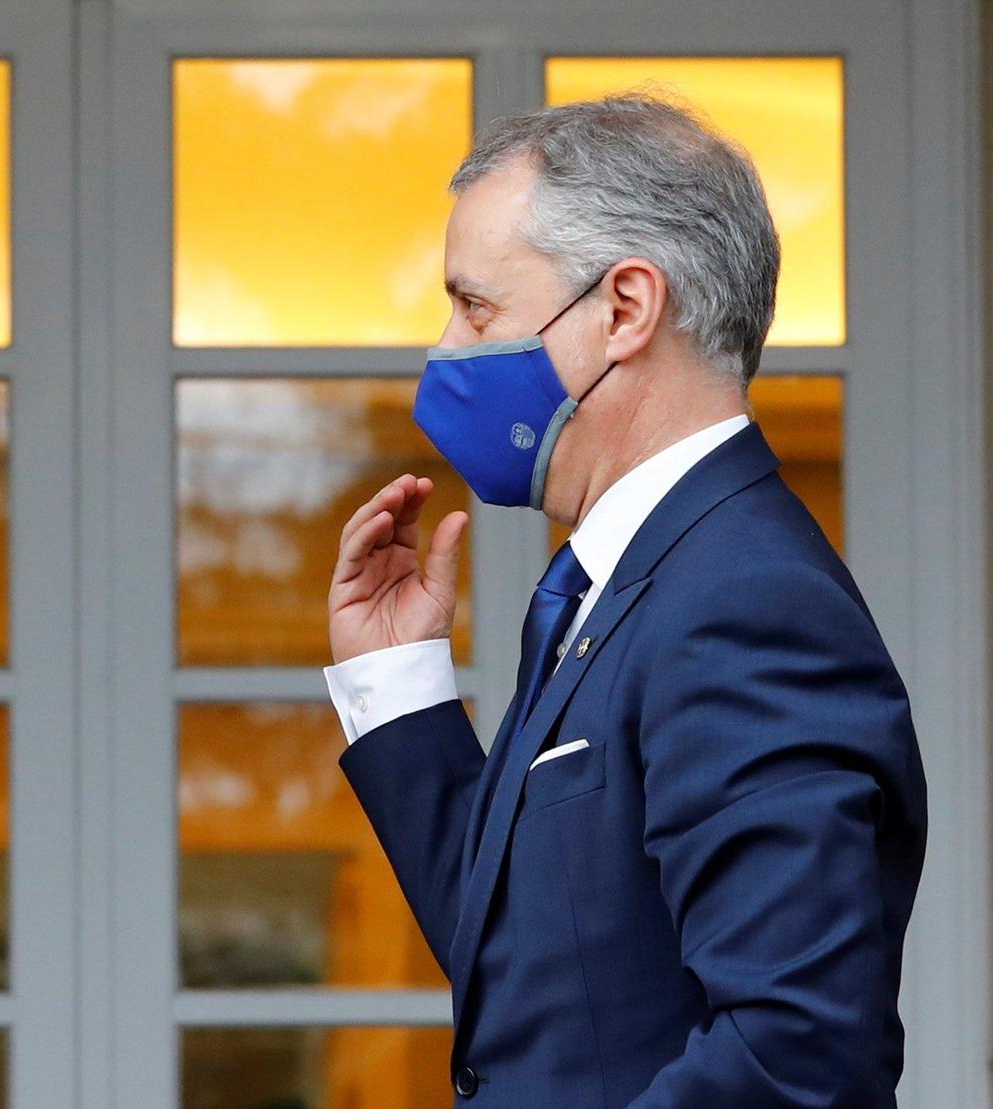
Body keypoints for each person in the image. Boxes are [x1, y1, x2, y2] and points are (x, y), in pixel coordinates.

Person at [327, 95, 925, 1105]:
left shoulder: (744, 603)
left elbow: (797, 1054)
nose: (442, 351)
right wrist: (395, 682)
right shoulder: (615, 585)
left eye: (474, 306)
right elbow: (534, 966)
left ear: (624, 309)